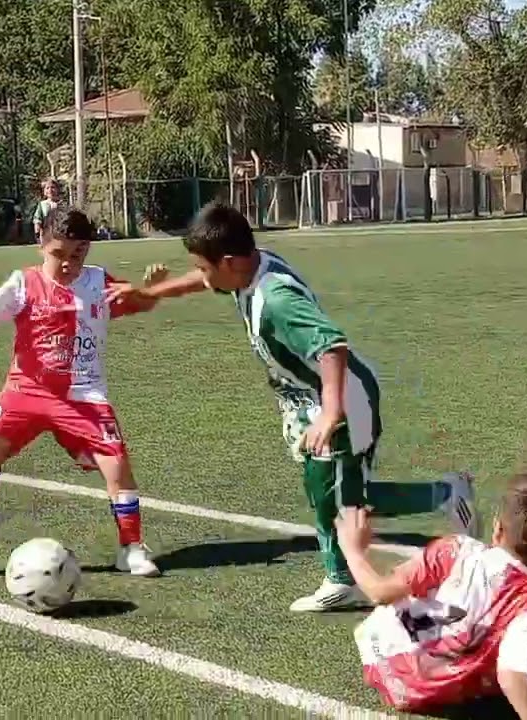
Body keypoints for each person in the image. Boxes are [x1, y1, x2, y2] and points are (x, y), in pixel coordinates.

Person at [107, 202, 477, 611]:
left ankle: (346, 577)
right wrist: (151, 295)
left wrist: (331, 412)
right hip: (311, 397)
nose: (203, 275)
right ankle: (442, 496)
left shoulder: (276, 298)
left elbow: (331, 346)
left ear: (229, 262)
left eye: (206, 267)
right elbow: (202, 280)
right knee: (337, 493)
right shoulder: (249, 266)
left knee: (334, 494)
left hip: (342, 398)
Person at [0, 208, 164, 577]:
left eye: (77, 255)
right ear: (41, 245)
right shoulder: (24, 283)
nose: (68, 264)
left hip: (84, 394)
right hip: (27, 390)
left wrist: (153, 289)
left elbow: (137, 304)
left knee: (116, 462)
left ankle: (131, 547)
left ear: (88, 250)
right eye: (59, 255)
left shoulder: (99, 282)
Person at [336, 473, 527, 718]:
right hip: (434, 692)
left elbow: (380, 593)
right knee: (505, 648)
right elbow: (512, 678)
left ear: (497, 526)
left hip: (380, 662)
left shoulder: (455, 549)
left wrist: (354, 552)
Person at [32, 178, 64, 243]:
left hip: (61, 235)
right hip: (46, 235)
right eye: (47, 188)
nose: (50, 190)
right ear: (44, 191)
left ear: (57, 190)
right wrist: (37, 232)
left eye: (53, 187)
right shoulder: (42, 205)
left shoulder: (62, 204)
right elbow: (37, 219)